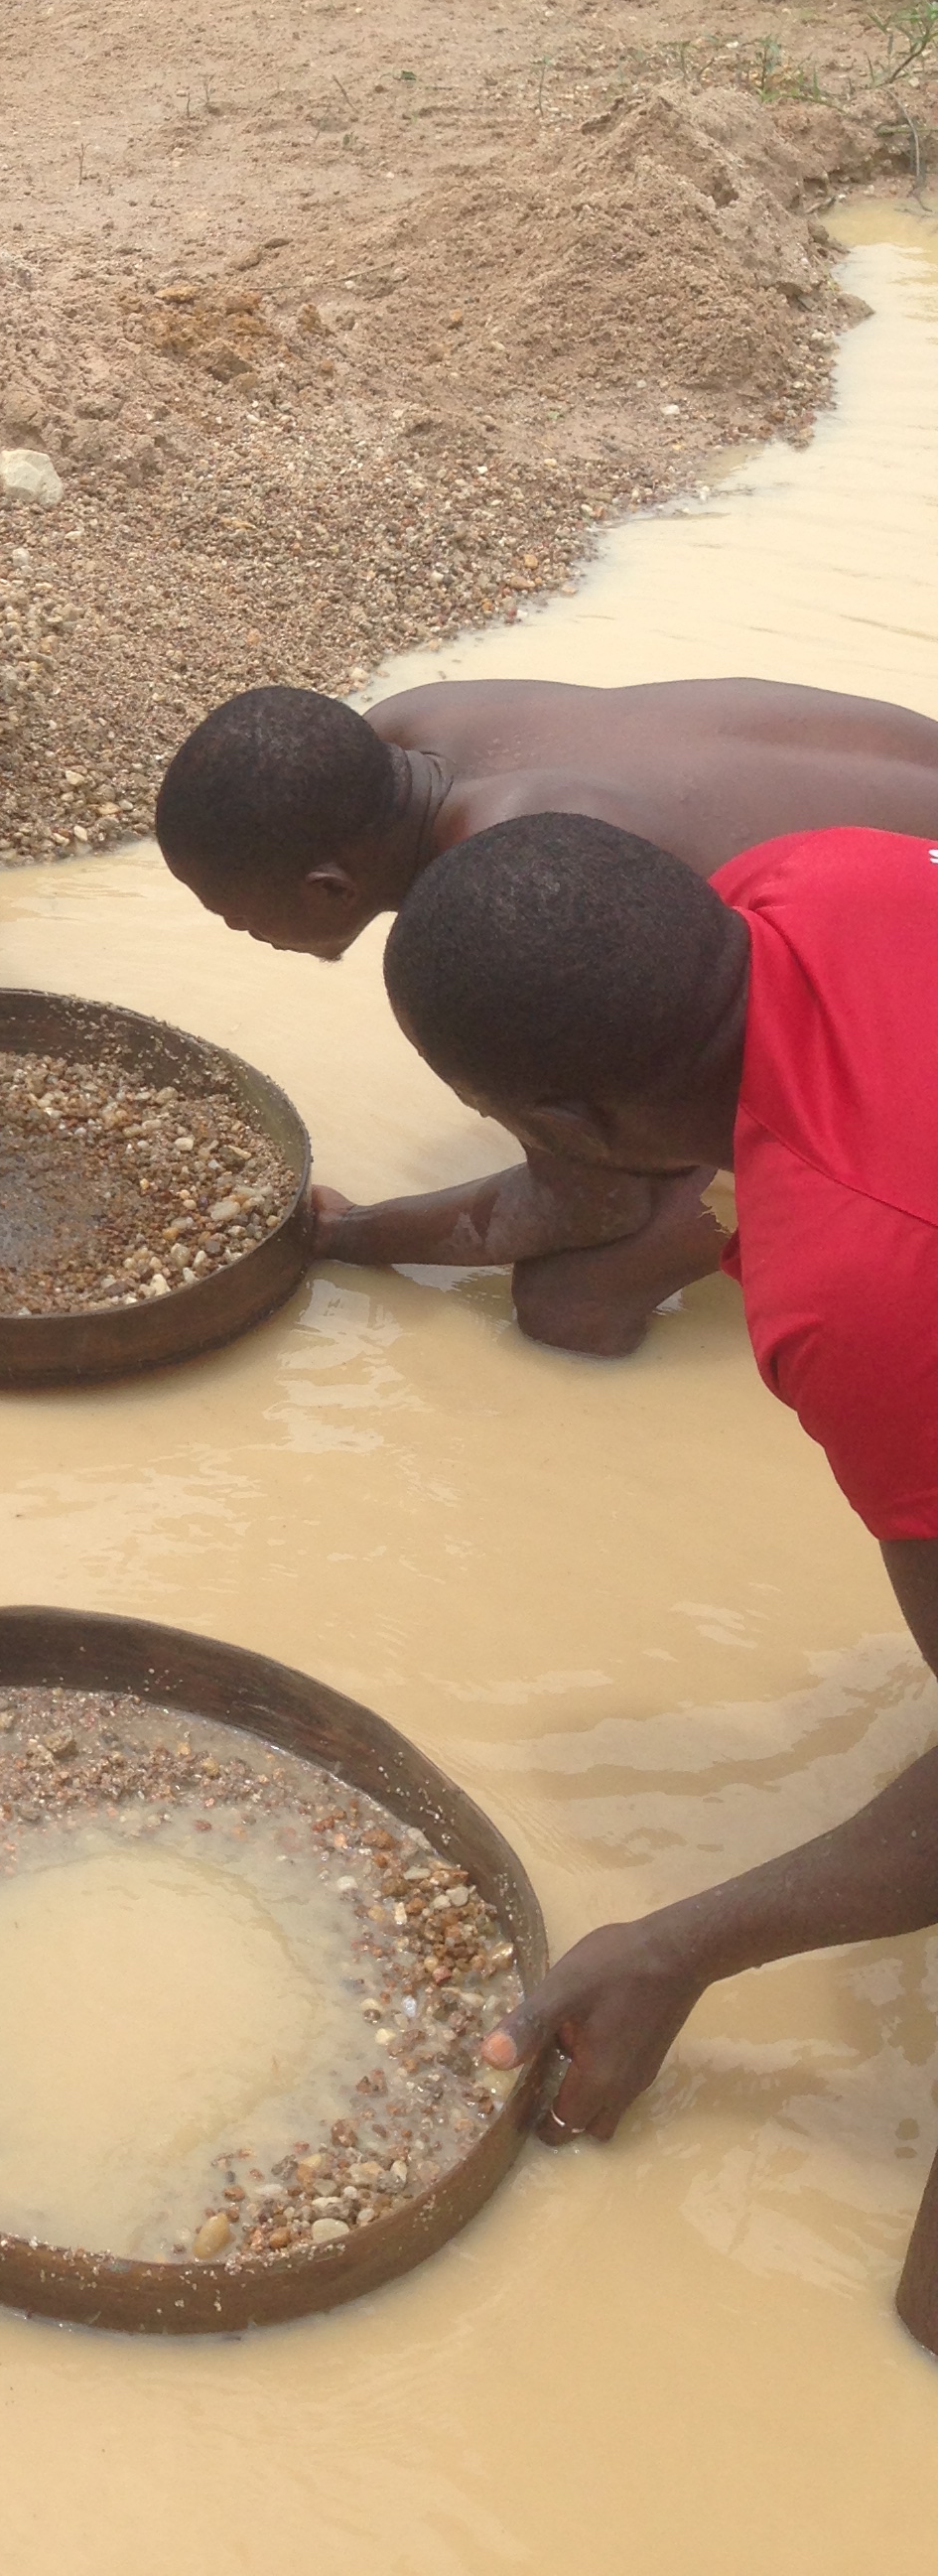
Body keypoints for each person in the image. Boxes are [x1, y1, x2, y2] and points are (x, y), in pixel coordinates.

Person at [377, 811, 938, 2353]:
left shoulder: (865, 1291)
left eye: (499, 1117)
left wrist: (684, 1943)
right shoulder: (819, 877)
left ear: (574, 1114)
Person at [156, 677, 938, 1353]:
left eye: (233, 915)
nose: (234, 931)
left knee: (573, 1309)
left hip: (890, 950)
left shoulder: (517, 860)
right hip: (892, 874)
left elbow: (593, 1200)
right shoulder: (405, 729)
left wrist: (348, 1234)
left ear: (328, 887)